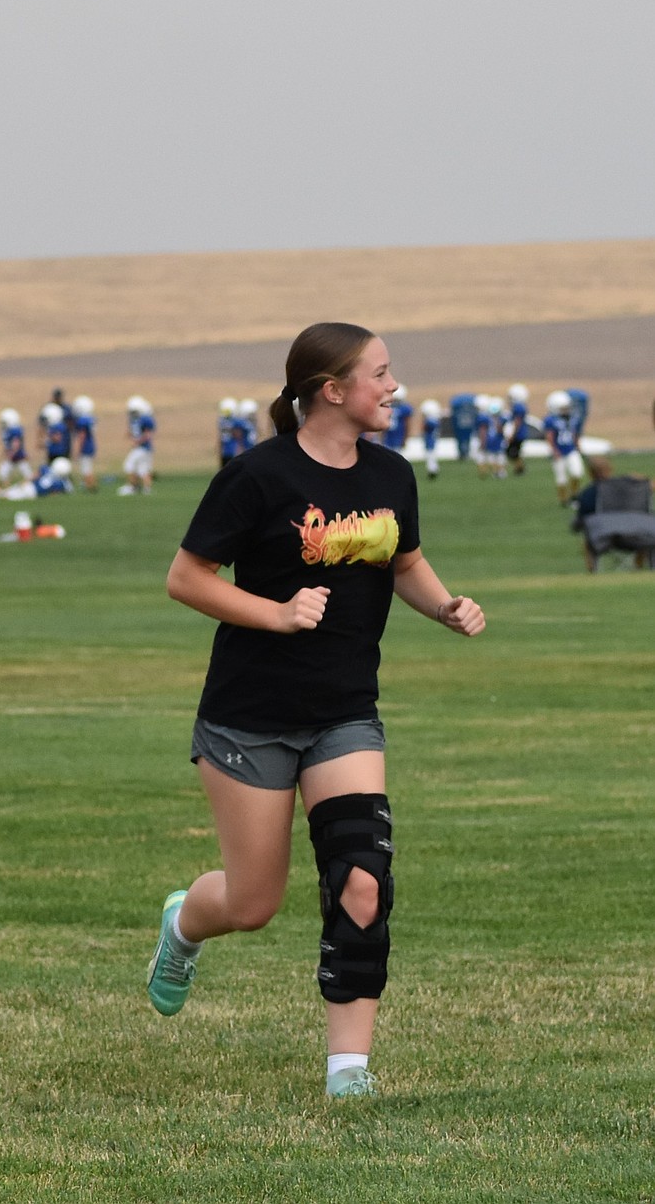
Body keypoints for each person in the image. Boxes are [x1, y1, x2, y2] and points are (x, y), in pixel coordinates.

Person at [146, 322, 485, 1099]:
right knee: (252, 901)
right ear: (333, 390)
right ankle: (183, 924)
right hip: (248, 716)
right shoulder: (256, 477)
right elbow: (186, 577)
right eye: (382, 374)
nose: (394, 387)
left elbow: (405, 560)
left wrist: (445, 606)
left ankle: (348, 1072)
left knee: (363, 878)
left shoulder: (392, 474)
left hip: (345, 712)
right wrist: (277, 611)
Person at [543, 389, 584, 505]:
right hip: (558, 451)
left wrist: (578, 445)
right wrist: (554, 450)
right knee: (561, 479)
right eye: (563, 408)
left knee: (577, 473)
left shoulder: (572, 418)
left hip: (571, 450)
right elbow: (549, 436)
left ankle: (575, 496)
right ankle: (563, 500)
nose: (566, 410)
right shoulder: (550, 420)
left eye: (567, 407)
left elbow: (574, 433)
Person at [118, 396, 155, 495]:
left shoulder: (145, 418)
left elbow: (148, 434)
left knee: (128, 465)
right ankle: (147, 489)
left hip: (142, 448)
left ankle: (132, 487)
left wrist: (138, 441)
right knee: (142, 469)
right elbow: (134, 431)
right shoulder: (135, 419)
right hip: (143, 448)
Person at [0, 407, 33, 487]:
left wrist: (11, 453)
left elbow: (16, 443)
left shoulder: (15, 429)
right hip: (13, 456)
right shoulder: (8, 430)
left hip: (18, 456)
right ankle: (7, 487)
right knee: (2, 473)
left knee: (28, 475)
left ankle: (28, 487)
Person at [71, 395, 98, 492]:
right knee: (88, 467)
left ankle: (90, 486)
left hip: (86, 446)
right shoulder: (90, 418)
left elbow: (82, 435)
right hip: (91, 445)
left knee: (86, 468)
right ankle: (89, 485)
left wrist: (79, 448)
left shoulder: (82, 420)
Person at [419, 398, 442, 480]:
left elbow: (423, 427)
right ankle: (433, 469)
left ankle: (432, 471)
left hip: (430, 440)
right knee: (431, 456)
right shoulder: (435, 420)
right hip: (432, 440)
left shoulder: (430, 421)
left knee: (430, 456)